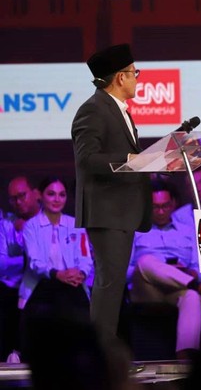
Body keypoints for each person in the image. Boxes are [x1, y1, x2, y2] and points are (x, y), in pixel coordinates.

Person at [71, 43, 152, 344]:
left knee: (114, 285)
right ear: (120, 77)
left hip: (121, 211)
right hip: (107, 212)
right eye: (135, 73)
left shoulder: (118, 110)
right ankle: (102, 357)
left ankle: (106, 354)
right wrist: (130, 160)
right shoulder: (93, 109)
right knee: (109, 285)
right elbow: (87, 159)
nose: (137, 79)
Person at [128, 180, 201, 359]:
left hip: (177, 288)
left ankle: (185, 357)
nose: (161, 212)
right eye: (155, 207)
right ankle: (195, 285)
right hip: (146, 288)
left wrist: (190, 273)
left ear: (173, 204)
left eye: (165, 206)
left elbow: (198, 266)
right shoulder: (135, 231)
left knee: (192, 297)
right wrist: (156, 270)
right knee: (147, 260)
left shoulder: (189, 231)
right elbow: (124, 271)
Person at [20, 177, 93, 357]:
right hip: (44, 283)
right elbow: (34, 261)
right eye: (51, 194)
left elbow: (85, 257)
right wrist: (57, 274)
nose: (57, 199)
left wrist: (81, 273)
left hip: (73, 282)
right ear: (41, 197)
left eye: (62, 195)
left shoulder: (76, 225)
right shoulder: (31, 226)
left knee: (82, 312)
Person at [0, 175, 41, 360]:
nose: (17, 202)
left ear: (35, 194)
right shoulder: (5, 225)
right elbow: (1, 265)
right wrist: (25, 260)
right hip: (9, 291)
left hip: (42, 287)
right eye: (13, 198)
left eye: (22, 195)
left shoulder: (50, 221)